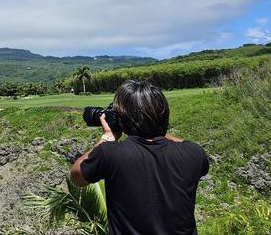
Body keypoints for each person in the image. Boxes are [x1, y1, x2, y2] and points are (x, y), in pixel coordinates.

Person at [70, 80, 209, 234]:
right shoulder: (194, 153)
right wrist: (155, 129)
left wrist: (108, 136)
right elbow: (185, 145)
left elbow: (76, 175)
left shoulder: (110, 153)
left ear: (123, 119)